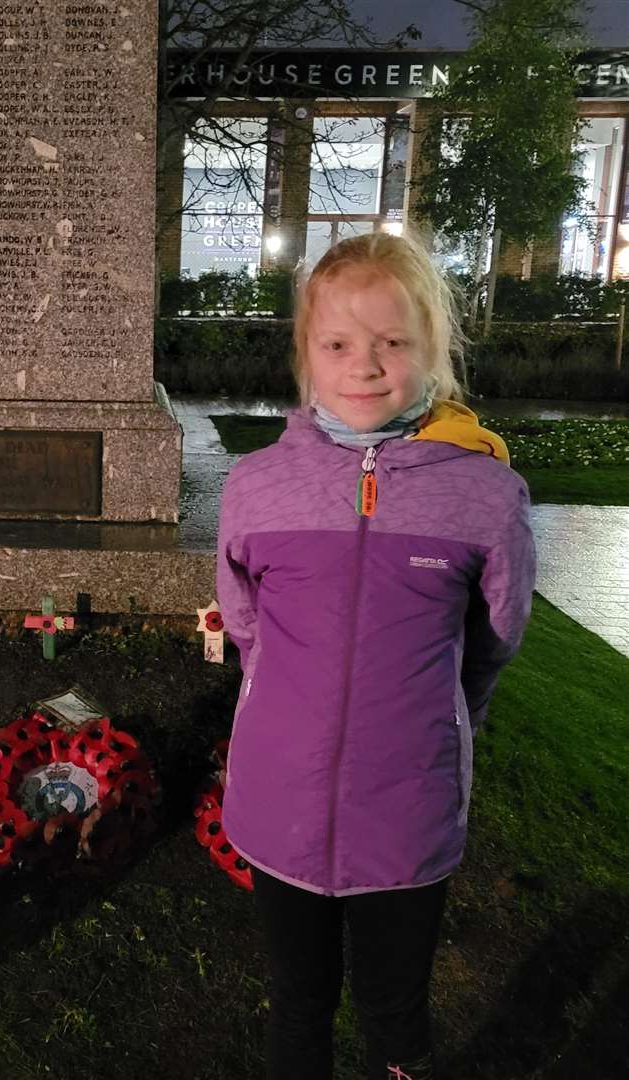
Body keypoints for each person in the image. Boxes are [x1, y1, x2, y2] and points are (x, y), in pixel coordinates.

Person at [216, 232, 535, 1080]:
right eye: (338, 344)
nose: (365, 364)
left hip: (407, 808)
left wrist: (439, 727)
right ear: (306, 356)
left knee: (395, 1008)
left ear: (432, 349)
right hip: (279, 800)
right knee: (297, 1004)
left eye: (392, 342)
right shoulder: (255, 486)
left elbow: (494, 639)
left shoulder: (484, 495)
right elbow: (246, 630)